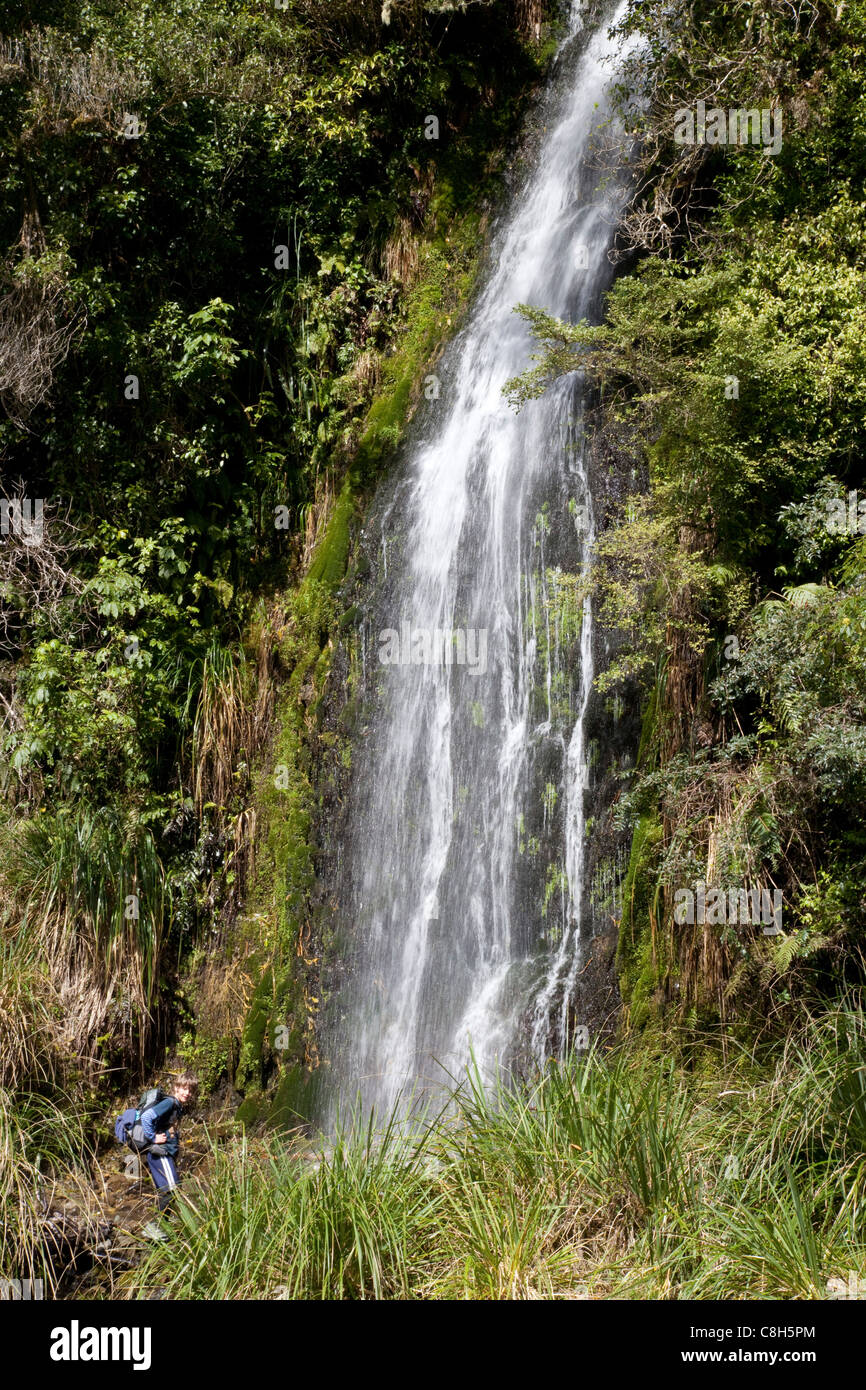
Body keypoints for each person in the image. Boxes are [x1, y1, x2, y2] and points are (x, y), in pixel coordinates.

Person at [140, 1074, 197, 1213]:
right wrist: (152, 1137)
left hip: (164, 1153)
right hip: (160, 1152)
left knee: (169, 1190)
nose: (187, 1093)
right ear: (176, 1088)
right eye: (184, 1089)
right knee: (172, 1189)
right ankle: (158, 1228)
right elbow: (146, 1117)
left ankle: (160, 1229)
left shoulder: (177, 1106)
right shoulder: (169, 1103)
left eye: (190, 1090)